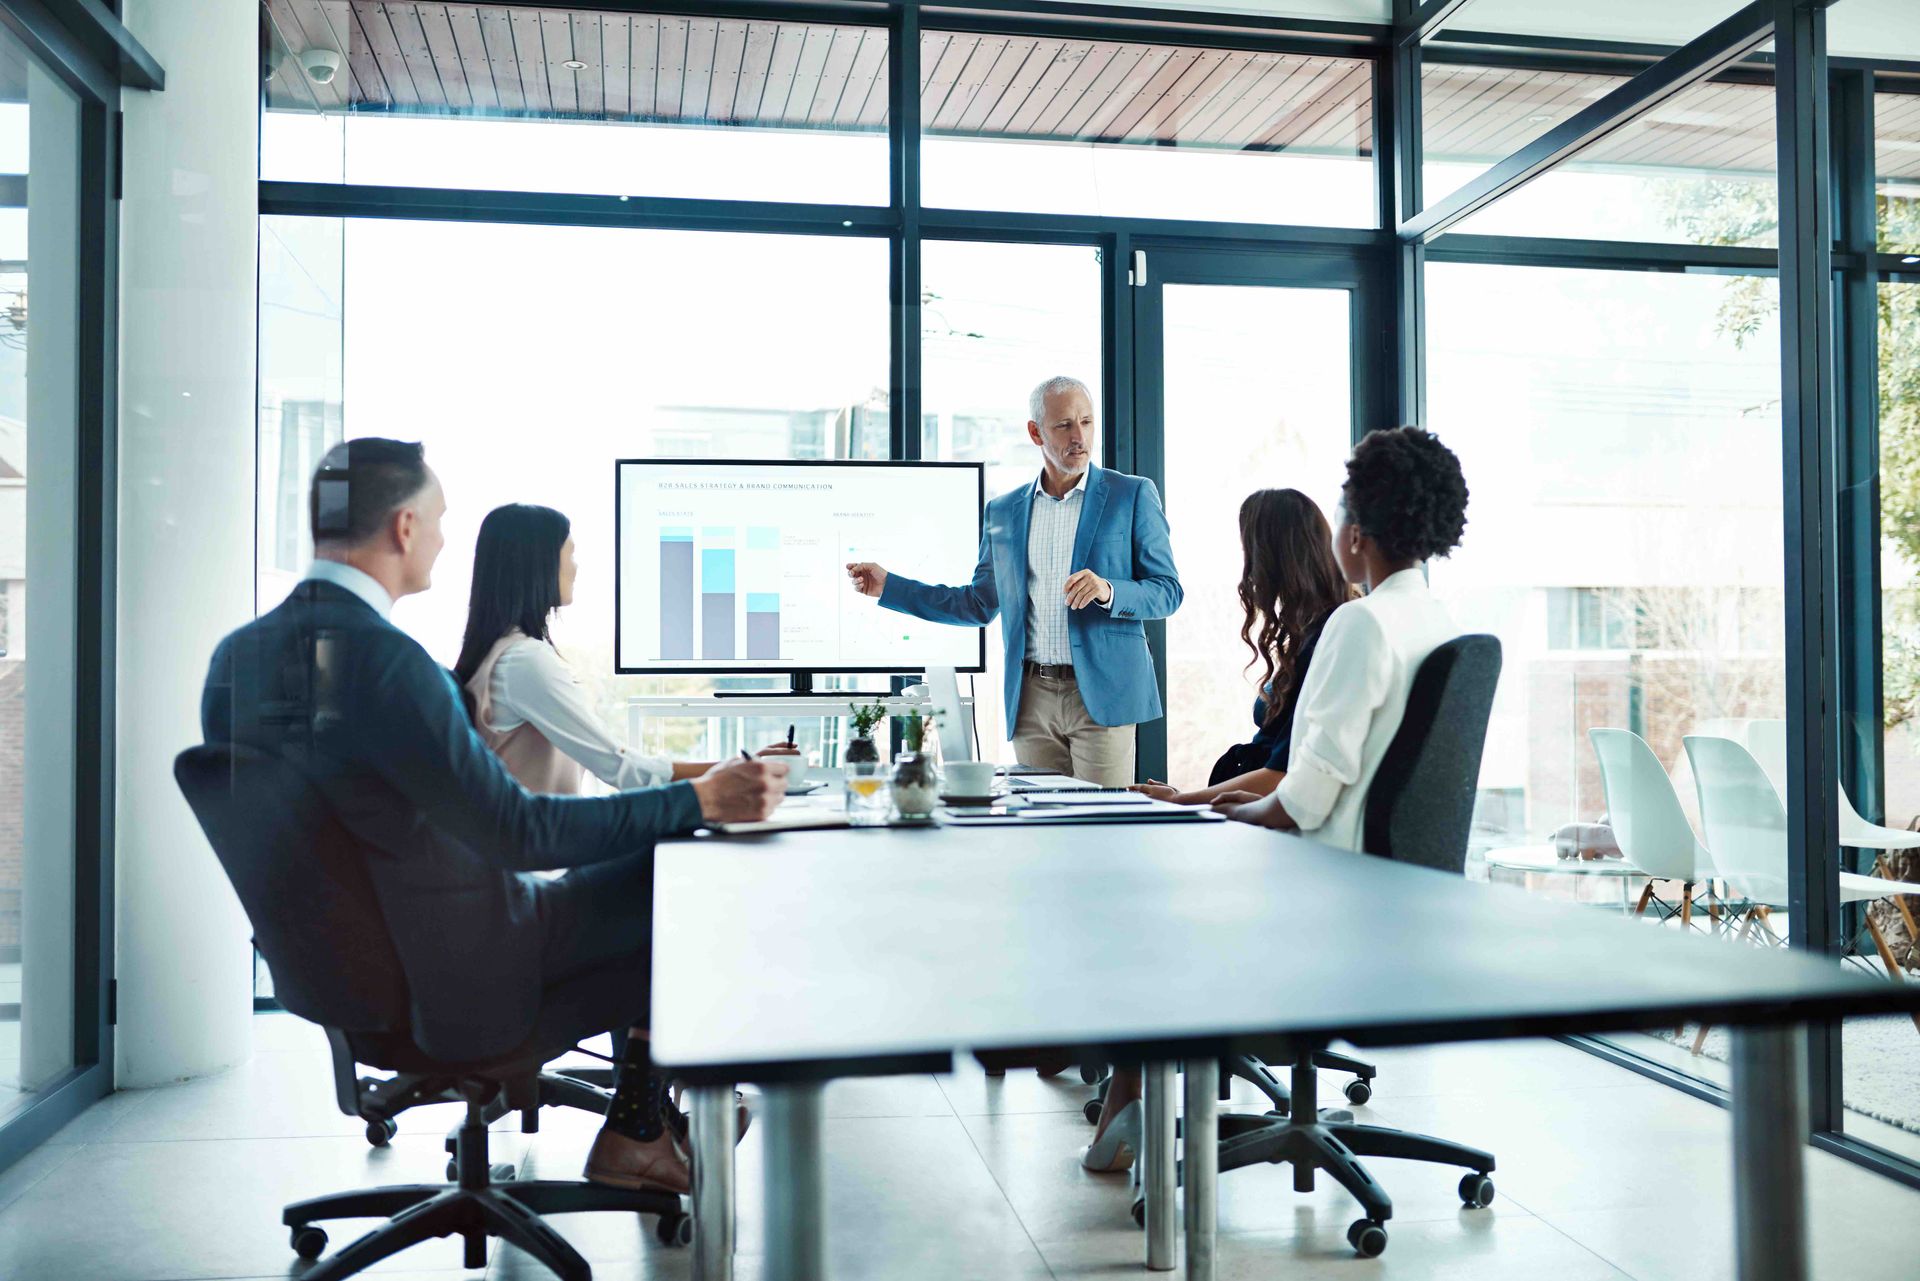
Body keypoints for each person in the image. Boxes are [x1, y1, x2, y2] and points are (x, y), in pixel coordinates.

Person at [200, 439, 784, 1199]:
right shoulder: (387, 663)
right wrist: (699, 800)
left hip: (351, 976)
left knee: (659, 885)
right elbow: (519, 831)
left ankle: (640, 1123)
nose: (445, 538)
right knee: (683, 864)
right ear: (405, 526)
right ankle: (639, 1128)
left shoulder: (237, 659)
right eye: (439, 519)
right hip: (463, 974)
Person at [845, 375, 1182, 785]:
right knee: (1040, 829)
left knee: (1101, 829)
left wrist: (1110, 590)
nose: (1079, 437)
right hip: (1031, 700)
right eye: (1064, 425)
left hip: (1104, 695)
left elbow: (1167, 591)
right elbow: (977, 604)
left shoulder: (1131, 495)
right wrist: (890, 587)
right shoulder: (1004, 512)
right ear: (1035, 431)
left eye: (1087, 422)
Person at [1217, 426, 1469, 848]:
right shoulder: (1437, 621)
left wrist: (1234, 811)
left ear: (1354, 536)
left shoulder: (1361, 622)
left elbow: (1309, 800)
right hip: (1395, 870)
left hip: (1333, 866)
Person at [453, 502, 797, 794]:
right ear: (539, 564)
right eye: (569, 553)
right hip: (536, 864)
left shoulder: (500, 655)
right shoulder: (523, 662)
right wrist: (738, 768)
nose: (576, 566)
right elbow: (621, 768)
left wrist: (741, 763)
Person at [1131, 489, 1353, 805]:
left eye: (1249, 552)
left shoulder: (1327, 638)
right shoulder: (1313, 629)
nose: (1248, 571)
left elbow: (1282, 775)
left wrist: (1181, 801)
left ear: (1273, 558)